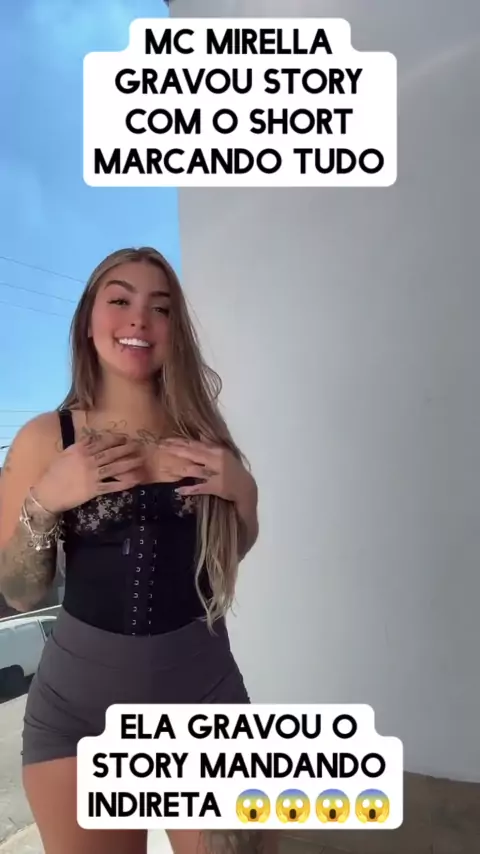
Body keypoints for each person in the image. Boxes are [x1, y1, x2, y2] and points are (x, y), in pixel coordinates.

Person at [0, 247, 273, 854]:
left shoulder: (204, 438)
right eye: (120, 299)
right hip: (80, 717)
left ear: (175, 329)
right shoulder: (48, 438)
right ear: (88, 319)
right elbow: (18, 592)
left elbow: (225, 559)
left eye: (161, 307)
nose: (139, 319)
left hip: (205, 698)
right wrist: (46, 500)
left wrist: (245, 494)